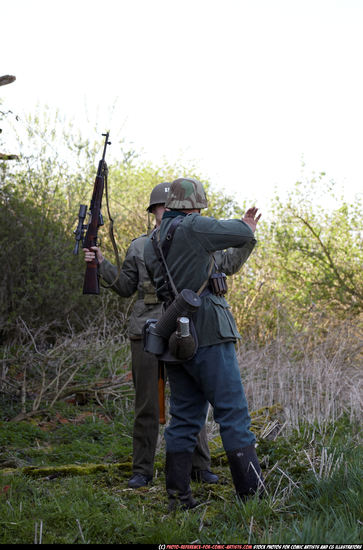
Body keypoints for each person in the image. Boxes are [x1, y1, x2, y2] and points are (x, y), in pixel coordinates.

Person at [83, 182, 219, 488]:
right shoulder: (140, 246)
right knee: (146, 405)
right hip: (145, 329)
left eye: (174, 207)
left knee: (190, 401)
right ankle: (142, 470)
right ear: (154, 211)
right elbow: (123, 286)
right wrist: (101, 264)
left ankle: (199, 466)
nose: (167, 212)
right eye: (162, 207)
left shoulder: (194, 243)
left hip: (183, 329)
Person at [143, 177, 263, 510]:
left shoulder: (154, 240)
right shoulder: (193, 227)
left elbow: (222, 264)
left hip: (175, 336)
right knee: (233, 413)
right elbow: (238, 233)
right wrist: (247, 225)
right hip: (209, 331)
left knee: (184, 418)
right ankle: (252, 498)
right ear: (194, 203)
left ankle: (178, 498)